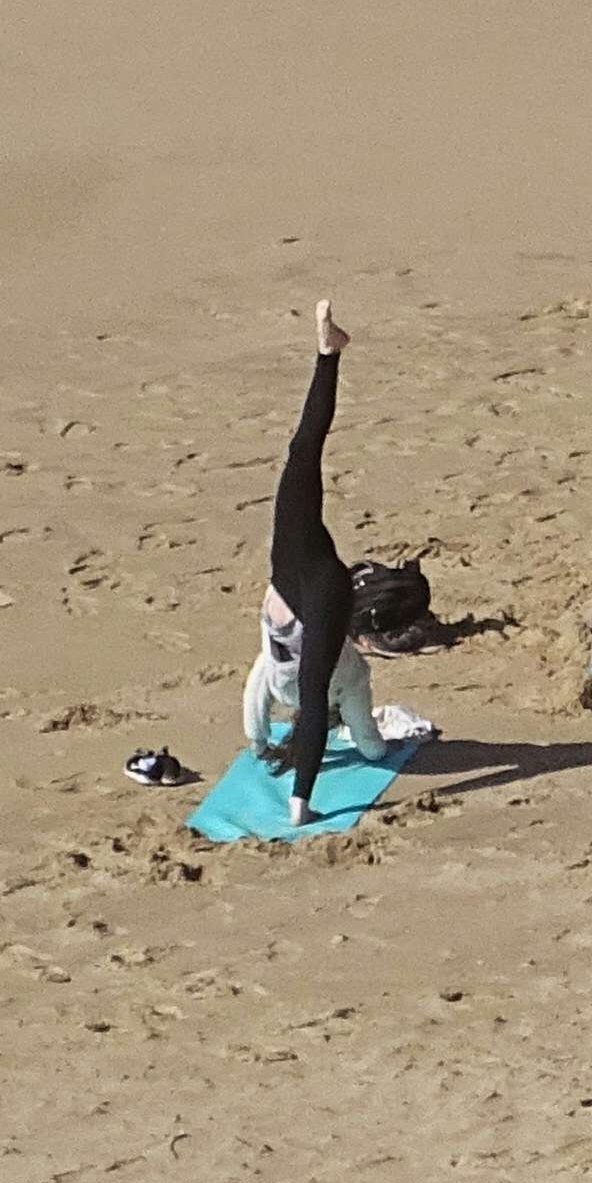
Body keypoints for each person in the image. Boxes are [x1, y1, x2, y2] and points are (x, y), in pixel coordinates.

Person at [248, 302, 391, 825]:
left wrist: (296, 804)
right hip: (306, 578)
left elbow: (291, 700)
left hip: (314, 578)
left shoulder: (285, 640)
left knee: (302, 450)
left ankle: (328, 353)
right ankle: (329, 353)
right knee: (302, 450)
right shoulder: (288, 618)